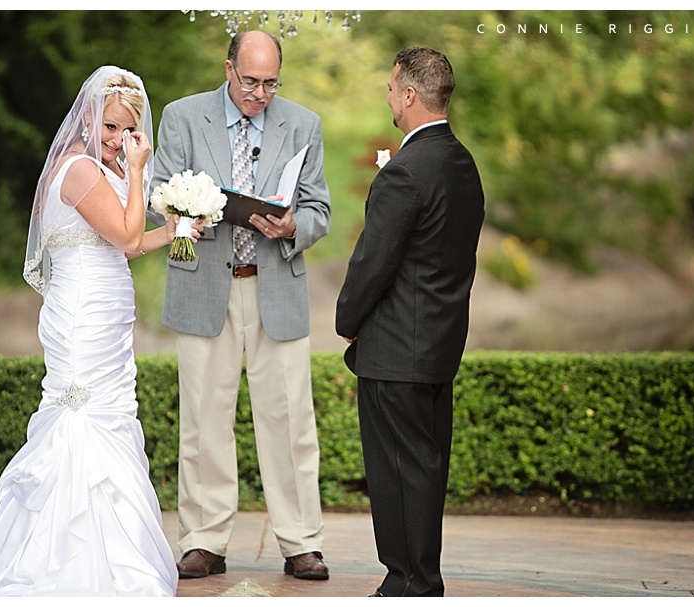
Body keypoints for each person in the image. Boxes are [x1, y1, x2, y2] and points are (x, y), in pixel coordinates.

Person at [0, 65, 199, 597]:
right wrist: (140, 170)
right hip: (80, 312)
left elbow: (135, 241)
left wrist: (178, 229)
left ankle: (116, 552)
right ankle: (68, 559)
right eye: (111, 128)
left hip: (110, 312)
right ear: (89, 120)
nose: (120, 141)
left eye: (128, 130)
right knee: (81, 416)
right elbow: (122, 234)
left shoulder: (107, 169)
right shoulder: (78, 170)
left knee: (112, 415)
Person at [149, 30, 331, 580]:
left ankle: (302, 541)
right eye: (250, 81)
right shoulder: (182, 117)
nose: (259, 93)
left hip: (276, 282)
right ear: (227, 69)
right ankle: (204, 539)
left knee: (291, 418)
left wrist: (294, 223)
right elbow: (159, 191)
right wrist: (192, 214)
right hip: (204, 282)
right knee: (203, 418)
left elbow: (320, 207)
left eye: (270, 83)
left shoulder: (304, 123)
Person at [335, 47, 485, 597]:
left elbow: (375, 260)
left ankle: (407, 582)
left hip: (396, 346)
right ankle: (421, 579)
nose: (388, 94)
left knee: (398, 471)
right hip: (440, 344)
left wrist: (347, 319)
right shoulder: (462, 162)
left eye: (391, 85)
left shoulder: (405, 171)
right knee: (424, 468)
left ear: (409, 95)